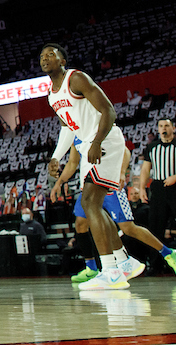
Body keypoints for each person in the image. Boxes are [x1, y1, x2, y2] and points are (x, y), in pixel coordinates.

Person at [43, 42, 131, 290]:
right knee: (93, 205)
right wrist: (56, 157)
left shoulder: (77, 78)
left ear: (62, 60)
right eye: (42, 56)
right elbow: (68, 128)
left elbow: (108, 110)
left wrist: (96, 142)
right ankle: (123, 262)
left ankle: (111, 271)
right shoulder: (51, 95)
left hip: (104, 140)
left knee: (90, 202)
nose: (45, 58)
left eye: (51, 54)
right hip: (88, 144)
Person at [54, 141, 176, 281]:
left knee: (128, 228)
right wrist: (59, 182)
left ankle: (169, 254)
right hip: (88, 186)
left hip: (109, 184)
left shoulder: (99, 126)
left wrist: (122, 173)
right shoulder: (76, 133)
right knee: (81, 224)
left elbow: (125, 151)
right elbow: (72, 163)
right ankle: (92, 268)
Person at [137, 118, 176, 266]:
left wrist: (175, 177)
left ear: (173, 128)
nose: (163, 128)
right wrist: (141, 188)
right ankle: (154, 264)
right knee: (155, 227)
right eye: (161, 126)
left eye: (166, 126)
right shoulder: (151, 147)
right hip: (158, 188)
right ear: (158, 129)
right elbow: (145, 169)